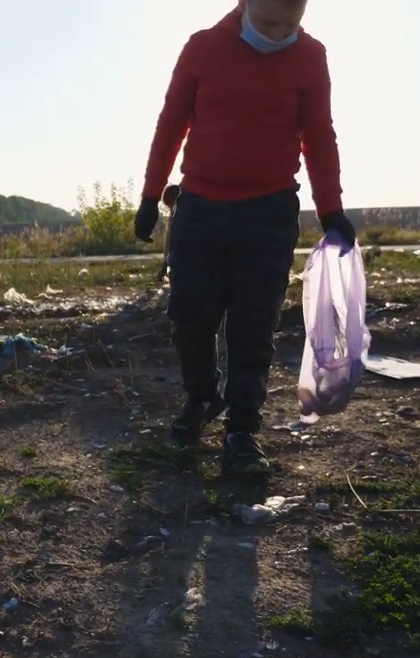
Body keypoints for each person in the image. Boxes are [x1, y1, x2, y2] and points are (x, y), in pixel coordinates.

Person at [133, 0, 357, 475]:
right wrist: (151, 196)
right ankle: (200, 398)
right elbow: (171, 122)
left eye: (290, 24)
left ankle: (241, 429)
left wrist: (331, 207)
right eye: (269, 23)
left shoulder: (311, 57)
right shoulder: (203, 48)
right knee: (191, 315)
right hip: (200, 209)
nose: (279, 35)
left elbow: (319, 134)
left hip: (269, 211)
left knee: (253, 326)